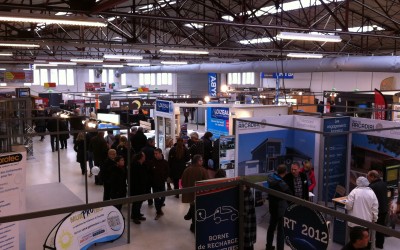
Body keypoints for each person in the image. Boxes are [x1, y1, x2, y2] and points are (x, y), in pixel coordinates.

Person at [266, 164, 292, 250]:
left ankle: (269, 246)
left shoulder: (271, 178)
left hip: (272, 207)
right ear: (285, 172)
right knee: (281, 231)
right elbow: (289, 194)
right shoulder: (281, 183)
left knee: (271, 227)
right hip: (280, 209)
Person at [181, 154, 208, 233]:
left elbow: (182, 182)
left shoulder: (187, 170)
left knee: (193, 207)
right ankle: (196, 225)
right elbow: (207, 183)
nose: (202, 162)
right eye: (201, 160)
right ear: (198, 161)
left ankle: (192, 222)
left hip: (190, 194)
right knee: (198, 210)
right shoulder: (203, 170)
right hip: (200, 195)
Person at [367, 170, 388, 249]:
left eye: (368, 177)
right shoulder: (384, 184)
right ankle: (380, 245)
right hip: (384, 209)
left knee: (371, 228)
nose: (368, 179)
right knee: (381, 228)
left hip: (376, 211)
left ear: (372, 177)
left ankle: (369, 245)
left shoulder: (372, 187)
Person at [148, 148, 169, 220]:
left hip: (162, 183)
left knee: (163, 197)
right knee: (156, 198)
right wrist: (151, 181)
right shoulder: (151, 163)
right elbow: (149, 173)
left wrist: (164, 178)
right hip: (154, 184)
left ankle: (159, 209)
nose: (155, 155)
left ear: (160, 153)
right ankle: (158, 211)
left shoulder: (165, 162)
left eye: (156, 153)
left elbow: (167, 171)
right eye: (154, 154)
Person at [130, 152, 148, 224]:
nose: (145, 157)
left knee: (139, 201)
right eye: (144, 156)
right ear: (141, 157)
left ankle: (137, 214)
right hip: (137, 187)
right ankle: (135, 216)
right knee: (136, 202)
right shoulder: (136, 165)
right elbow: (137, 178)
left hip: (140, 187)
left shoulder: (141, 164)